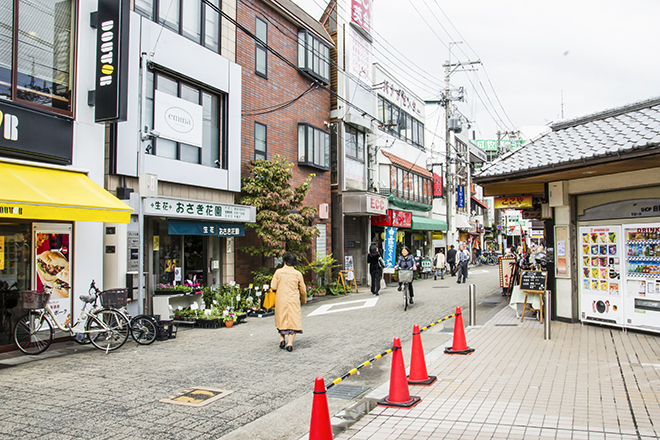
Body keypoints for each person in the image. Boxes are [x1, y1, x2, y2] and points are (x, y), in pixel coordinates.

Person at [270, 253, 307, 352]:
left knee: (281, 319)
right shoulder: (297, 274)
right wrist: (303, 300)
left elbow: (273, 286)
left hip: (281, 299)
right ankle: (290, 344)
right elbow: (303, 289)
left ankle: (282, 339)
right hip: (293, 300)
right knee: (293, 321)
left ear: (284, 261)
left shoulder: (278, 272)